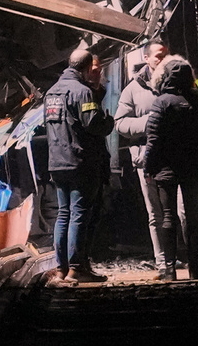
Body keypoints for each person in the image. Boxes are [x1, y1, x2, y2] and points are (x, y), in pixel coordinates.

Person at [141, 55, 198, 280]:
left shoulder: (161, 102)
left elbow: (153, 139)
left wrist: (148, 166)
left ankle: (169, 271)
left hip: (166, 168)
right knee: (193, 217)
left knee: (167, 217)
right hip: (193, 168)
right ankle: (195, 267)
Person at [45, 49, 115, 283]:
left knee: (63, 214)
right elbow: (93, 124)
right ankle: (77, 268)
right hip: (80, 162)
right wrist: (108, 121)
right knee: (79, 215)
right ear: (86, 68)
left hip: (56, 162)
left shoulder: (51, 92)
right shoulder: (82, 92)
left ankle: (61, 268)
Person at [115, 39, 169, 275]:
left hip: (175, 159)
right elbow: (120, 123)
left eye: (166, 54)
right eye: (158, 55)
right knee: (155, 214)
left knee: (181, 212)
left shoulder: (177, 82)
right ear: (146, 58)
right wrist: (148, 122)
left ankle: (185, 257)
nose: (163, 59)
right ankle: (163, 262)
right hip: (146, 160)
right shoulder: (133, 88)